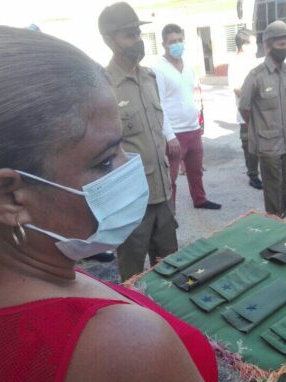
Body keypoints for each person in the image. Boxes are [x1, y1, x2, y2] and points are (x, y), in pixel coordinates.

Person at [0, 25, 286, 382]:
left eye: (123, 147)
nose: (131, 168)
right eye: (105, 160)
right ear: (9, 198)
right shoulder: (125, 344)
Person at [98, 2, 178, 281]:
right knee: (133, 277)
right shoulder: (104, 86)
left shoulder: (149, 78)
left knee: (170, 269)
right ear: (109, 40)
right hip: (133, 204)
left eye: (138, 33)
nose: (137, 41)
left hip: (163, 195)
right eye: (128, 35)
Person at [154, 24, 221, 210]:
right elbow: (159, 104)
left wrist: (199, 123)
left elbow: (193, 95)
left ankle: (200, 199)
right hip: (175, 133)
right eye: (172, 42)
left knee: (196, 170)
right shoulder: (159, 69)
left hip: (193, 129)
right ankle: (170, 212)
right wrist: (169, 136)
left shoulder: (188, 67)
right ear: (163, 44)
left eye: (179, 40)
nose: (177, 45)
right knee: (171, 177)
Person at [239, 20, 286, 218]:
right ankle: (274, 229)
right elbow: (244, 108)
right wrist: (259, 129)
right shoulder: (256, 76)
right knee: (273, 193)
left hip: (285, 143)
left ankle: (283, 223)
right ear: (267, 46)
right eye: (281, 45)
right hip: (268, 146)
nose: (285, 49)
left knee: (284, 189)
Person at [228, 28, 263, 189]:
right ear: (244, 45)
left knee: (264, 142)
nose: (256, 46)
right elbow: (237, 89)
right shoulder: (236, 63)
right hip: (246, 113)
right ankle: (253, 175)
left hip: (261, 111)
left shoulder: (254, 61)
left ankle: (270, 172)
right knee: (249, 145)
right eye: (253, 43)